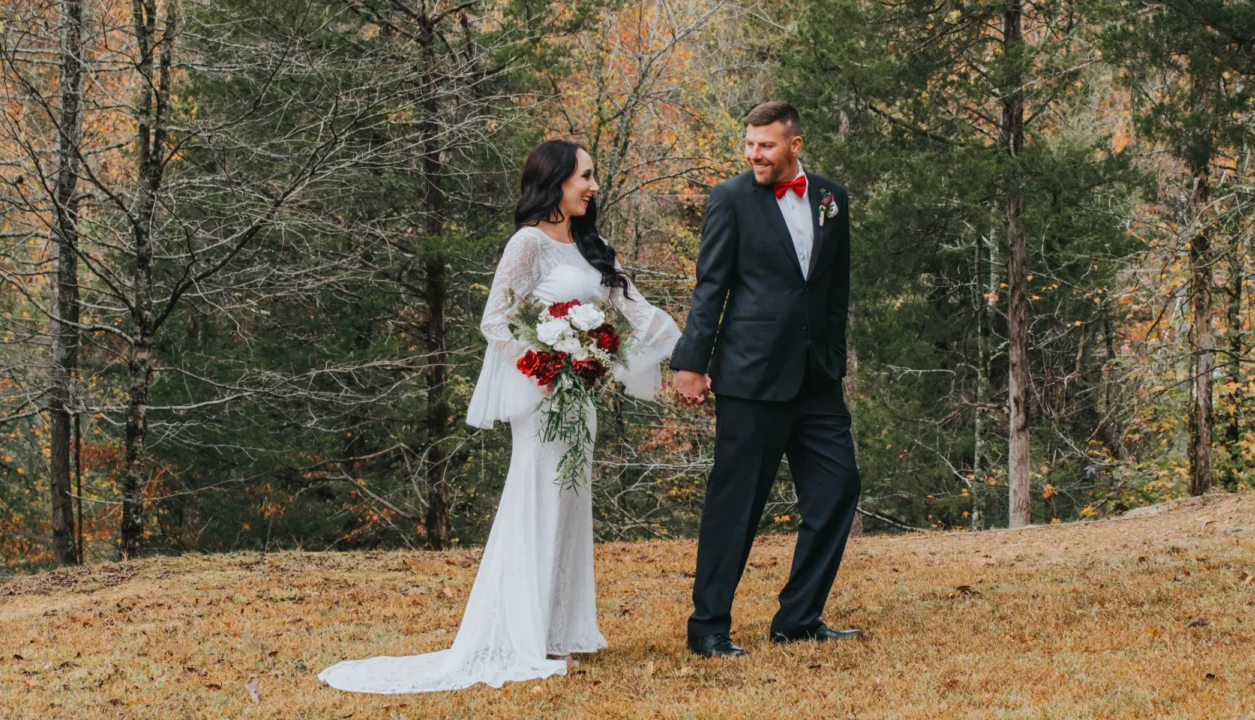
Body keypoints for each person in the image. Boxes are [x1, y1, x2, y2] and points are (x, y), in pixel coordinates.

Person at [318, 139, 680, 693]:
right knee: (536, 498)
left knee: (570, 503)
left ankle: (557, 633)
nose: (594, 186)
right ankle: (522, 636)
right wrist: (549, 362)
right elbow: (498, 319)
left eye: (594, 176)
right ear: (556, 180)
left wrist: (695, 350)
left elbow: (635, 311)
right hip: (542, 401)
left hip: (579, 402)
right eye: (585, 175)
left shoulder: (594, 246)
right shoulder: (527, 244)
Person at [671, 100, 862, 658]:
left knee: (838, 489)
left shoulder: (831, 198)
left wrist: (835, 357)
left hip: (818, 379)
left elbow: (835, 289)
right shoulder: (730, 200)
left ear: (794, 145)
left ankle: (798, 619)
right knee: (736, 505)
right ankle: (708, 627)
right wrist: (691, 362)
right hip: (751, 378)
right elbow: (711, 287)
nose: (754, 154)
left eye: (766, 145)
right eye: (749, 144)